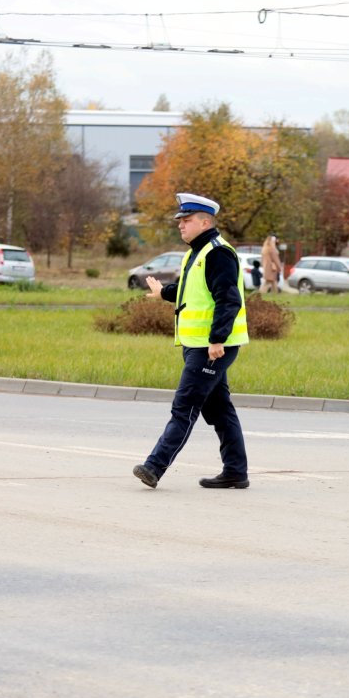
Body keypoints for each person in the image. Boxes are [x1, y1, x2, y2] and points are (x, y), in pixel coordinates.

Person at [132, 192, 250, 490]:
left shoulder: (218, 253)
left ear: (205, 221)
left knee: (184, 407)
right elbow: (193, 293)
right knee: (220, 410)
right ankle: (236, 472)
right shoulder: (196, 253)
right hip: (198, 345)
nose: (180, 226)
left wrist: (217, 340)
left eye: (186, 221)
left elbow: (228, 300)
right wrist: (164, 293)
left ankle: (154, 466)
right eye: (180, 221)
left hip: (211, 348)